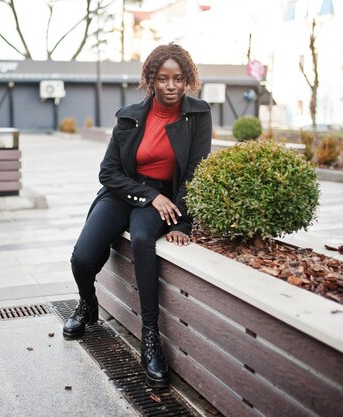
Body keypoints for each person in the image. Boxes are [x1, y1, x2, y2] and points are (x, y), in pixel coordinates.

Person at [62, 43, 212, 388]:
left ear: (187, 79)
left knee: (144, 240)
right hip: (124, 192)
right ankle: (87, 304)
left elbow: (195, 173)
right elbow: (108, 172)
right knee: (82, 258)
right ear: (151, 80)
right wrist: (149, 194)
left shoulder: (198, 115)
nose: (171, 86)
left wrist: (184, 221)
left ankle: (150, 339)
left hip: (165, 199)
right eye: (163, 78)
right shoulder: (130, 116)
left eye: (178, 78)